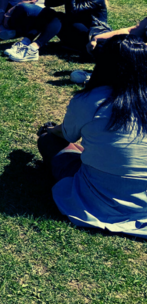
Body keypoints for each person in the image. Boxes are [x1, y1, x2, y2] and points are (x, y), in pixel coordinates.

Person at [37, 36, 147, 237]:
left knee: (49, 141)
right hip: (144, 202)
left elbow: (66, 134)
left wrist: (50, 130)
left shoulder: (91, 99)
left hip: (98, 201)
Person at [7, 0, 110, 62]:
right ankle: (26, 41)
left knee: (59, 17)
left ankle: (33, 48)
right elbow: (49, 3)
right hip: (75, 34)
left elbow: (72, 12)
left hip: (91, 37)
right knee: (48, 12)